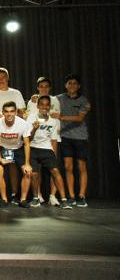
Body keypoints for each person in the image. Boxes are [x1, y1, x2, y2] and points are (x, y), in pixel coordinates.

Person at [27, 96, 72, 209]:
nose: (44, 107)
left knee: (55, 171)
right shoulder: (32, 118)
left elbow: (53, 140)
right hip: (33, 148)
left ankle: (64, 200)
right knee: (35, 174)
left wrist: (54, 156)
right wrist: (34, 129)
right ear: (38, 106)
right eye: (42, 104)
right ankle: (36, 198)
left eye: (47, 105)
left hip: (47, 149)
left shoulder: (53, 121)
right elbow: (27, 138)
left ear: (49, 107)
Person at [56, 74, 91, 207]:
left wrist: (62, 117)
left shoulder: (84, 101)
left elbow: (80, 118)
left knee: (81, 166)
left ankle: (81, 196)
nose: (72, 85)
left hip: (80, 137)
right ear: (66, 85)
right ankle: (71, 196)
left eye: (75, 83)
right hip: (65, 137)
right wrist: (35, 98)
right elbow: (46, 100)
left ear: (79, 86)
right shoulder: (59, 98)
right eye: (69, 83)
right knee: (68, 167)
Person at [0, 101, 33, 208]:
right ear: (3, 113)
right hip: (3, 148)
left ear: (15, 112)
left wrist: (27, 163)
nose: (9, 114)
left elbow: (27, 144)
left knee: (28, 171)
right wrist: (0, 158)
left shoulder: (23, 124)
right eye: (6, 112)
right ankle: (4, 199)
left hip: (17, 149)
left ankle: (23, 199)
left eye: (11, 111)